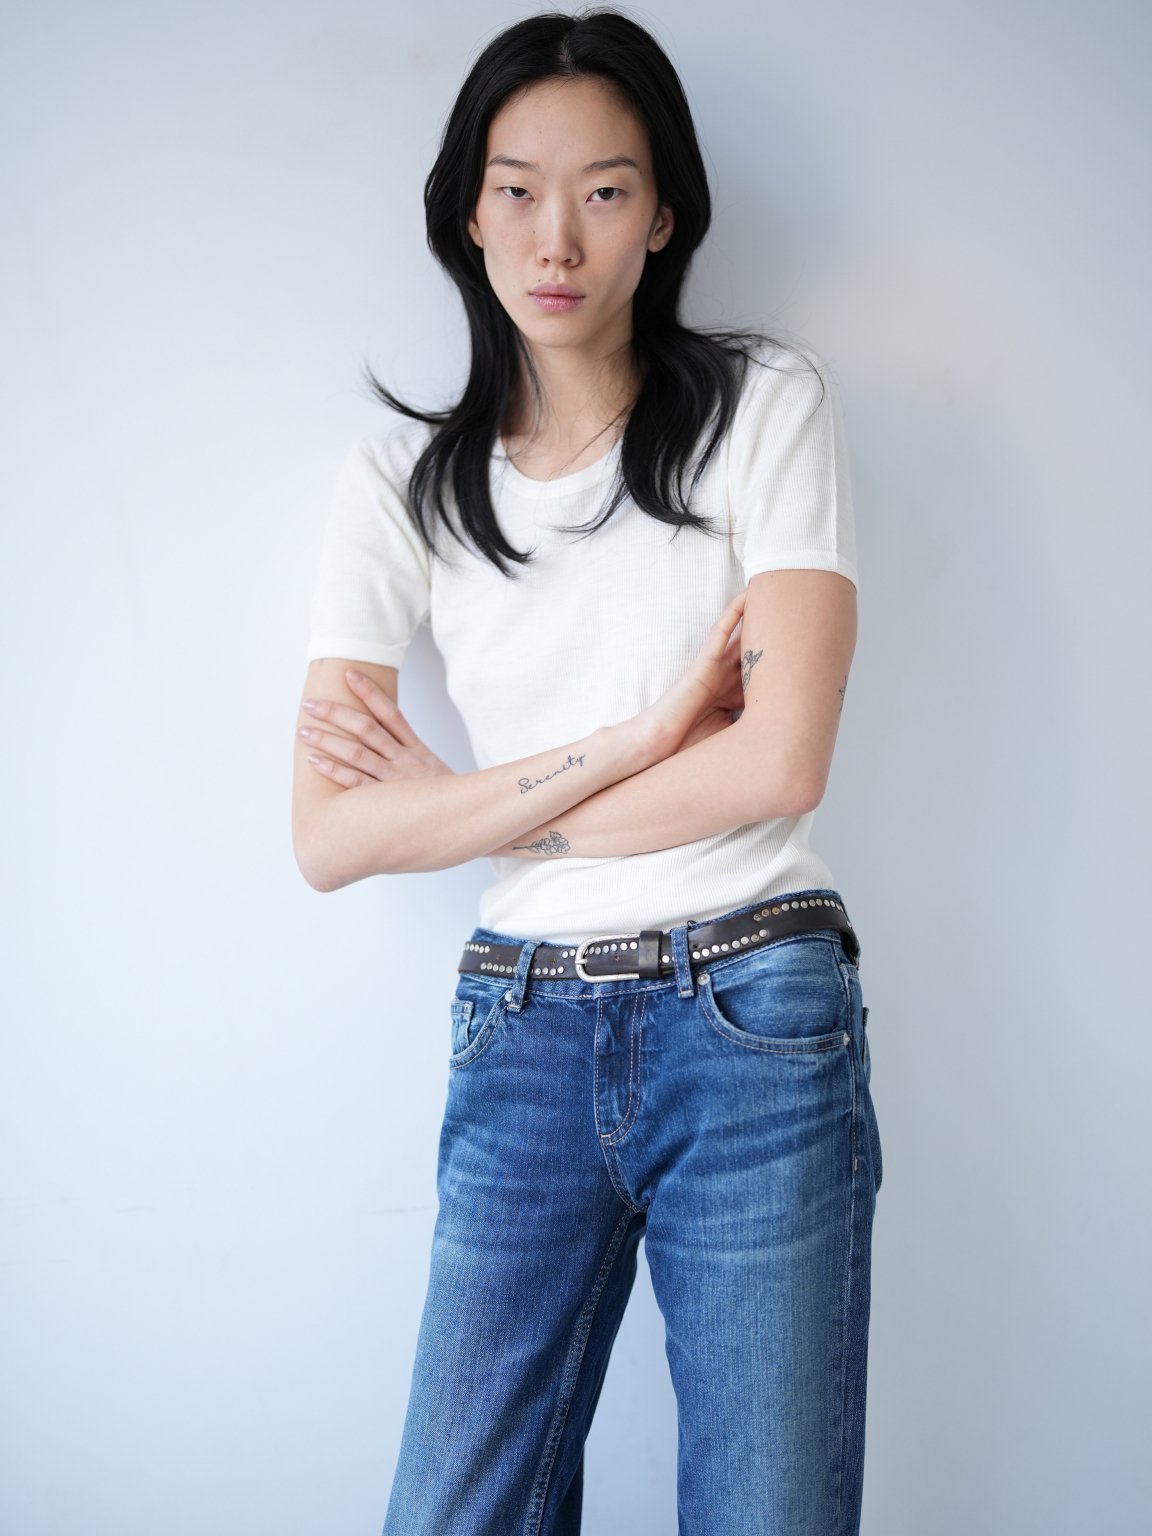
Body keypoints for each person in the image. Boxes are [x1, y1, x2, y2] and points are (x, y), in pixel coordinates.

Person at [292, 11, 880, 1534]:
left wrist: (481, 813)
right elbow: (331, 837)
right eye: (517, 190)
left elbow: (781, 759)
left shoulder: (764, 407)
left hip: (752, 1010)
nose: (557, 239)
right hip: (521, 1027)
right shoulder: (399, 485)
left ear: (663, 215)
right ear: (467, 212)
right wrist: (633, 742)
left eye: (607, 192)